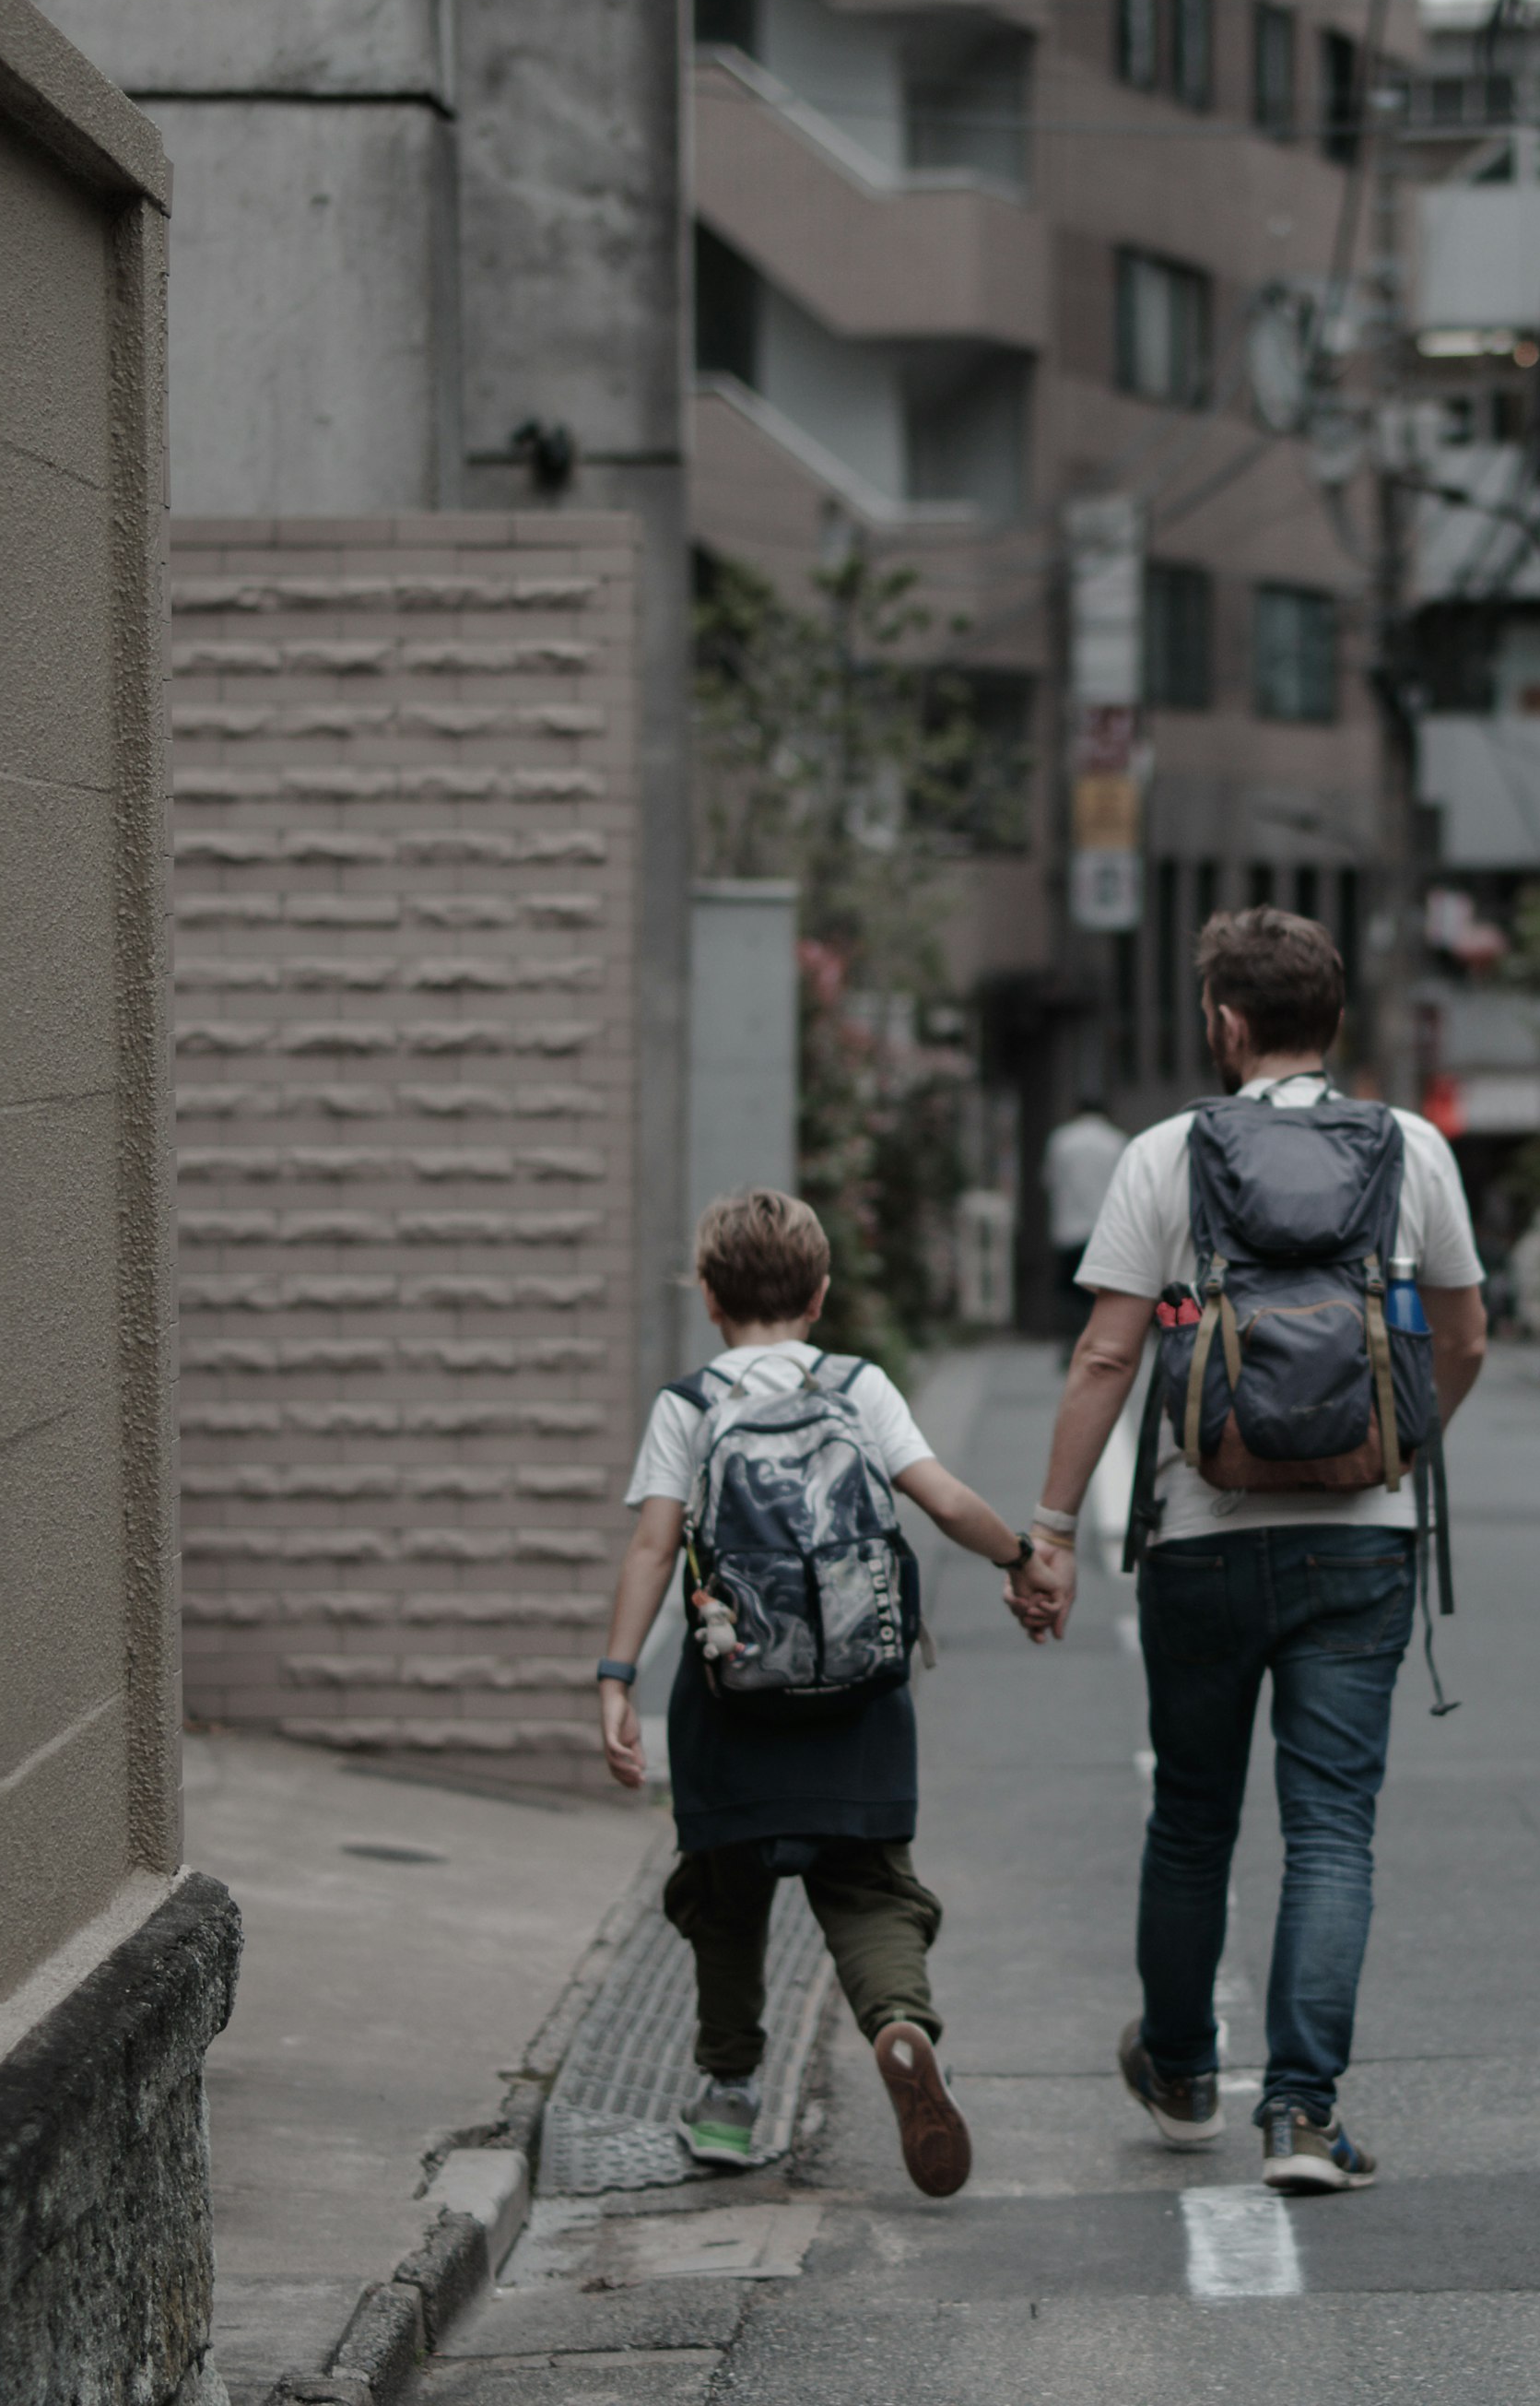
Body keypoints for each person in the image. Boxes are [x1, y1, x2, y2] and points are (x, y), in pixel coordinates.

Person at [1007, 907, 1487, 2191]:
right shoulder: (1413, 1149)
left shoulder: (1166, 1153)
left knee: (1193, 1822)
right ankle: (1304, 2118)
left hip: (1201, 1541)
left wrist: (1050, 1532)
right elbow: (1468, 1338)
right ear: (1335, 1021)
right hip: (1362, 1548)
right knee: (1331, 1829)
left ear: (1226, 1025)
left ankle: (1177, 2069)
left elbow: (1111, 1351)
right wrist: (1390, 1447)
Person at [594, 1189, 1061, 2199]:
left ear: (709, 1296)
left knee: (724, 1900)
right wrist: (1022, 1558)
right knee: (868, 1889)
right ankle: (898, 2025)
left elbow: (652, 1543)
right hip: (859, 1700)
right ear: (819, 1295)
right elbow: (939, 1497)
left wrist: (617, 1676)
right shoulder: (859, 1386)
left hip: (730, 1702)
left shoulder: (689, 1404)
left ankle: (725, 2099)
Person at [1040, 1097, 1130, 1331]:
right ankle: (1098, 1335)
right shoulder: (1116, 1141)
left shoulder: (1062, 1140)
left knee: (1070, 1290)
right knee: (1101, 1290)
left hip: (1068, 1228)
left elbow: (1049, 1181)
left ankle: (1071, 1337)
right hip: (1106, 1229)